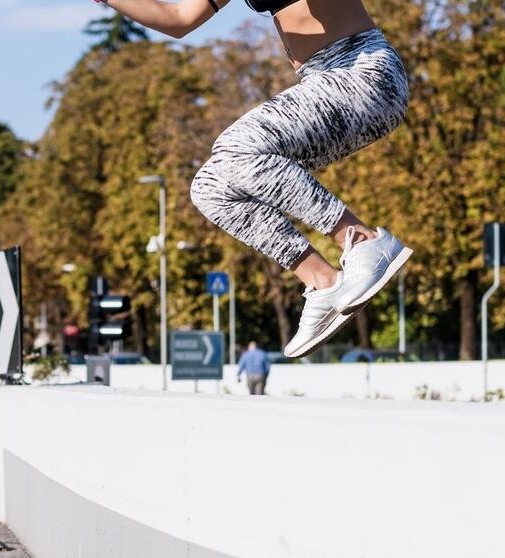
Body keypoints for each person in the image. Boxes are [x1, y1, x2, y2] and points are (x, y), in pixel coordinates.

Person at [94, 0, 412, 358]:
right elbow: (178, 18)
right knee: (212, 187)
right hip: (324, 83)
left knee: (236, 149)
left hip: (362, 71)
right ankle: (321, 281)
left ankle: (363, 240)